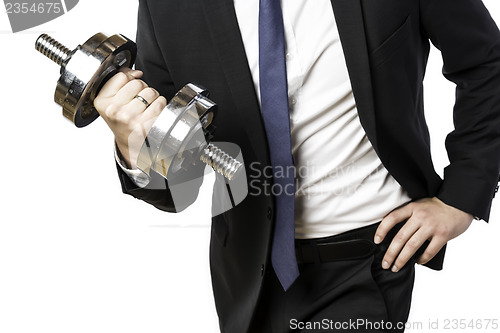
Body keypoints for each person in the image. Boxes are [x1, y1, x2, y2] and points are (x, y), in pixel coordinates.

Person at [93, 0, 500, 332]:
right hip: (246, 276)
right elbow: (179, 180)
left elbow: (486, 62)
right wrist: (131, 142)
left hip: (364, 262)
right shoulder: (170, 7)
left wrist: (462, 197)